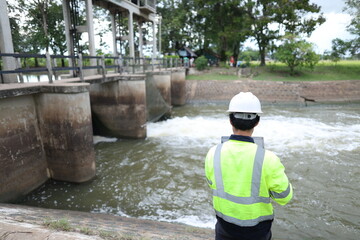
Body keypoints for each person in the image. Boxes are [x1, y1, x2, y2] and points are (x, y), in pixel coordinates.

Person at [205, 92, 293, 240]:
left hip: (225, 228)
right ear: (257, 122)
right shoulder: (268, 159)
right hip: (258, 232)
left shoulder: (213, 153)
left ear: (230, 121)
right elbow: (285, 196)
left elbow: (212, 183)